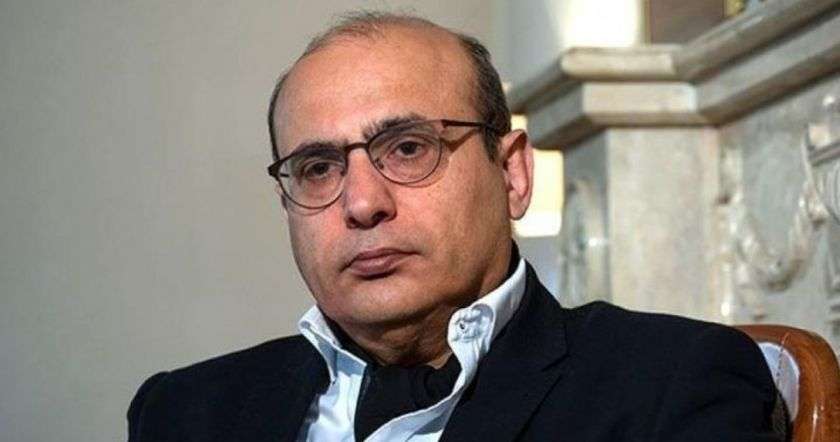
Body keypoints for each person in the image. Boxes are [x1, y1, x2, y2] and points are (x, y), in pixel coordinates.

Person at [127, 12, 782, 442]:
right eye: (319, 167)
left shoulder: (671, 382)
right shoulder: (183, 412)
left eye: (409, 148)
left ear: (512, 174)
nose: (363, 203)